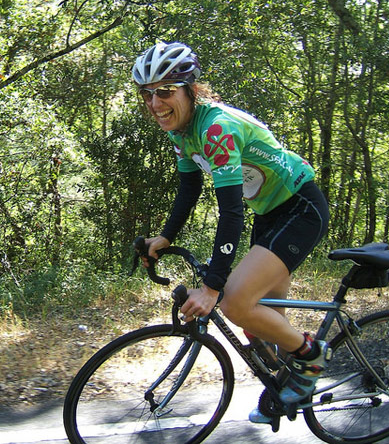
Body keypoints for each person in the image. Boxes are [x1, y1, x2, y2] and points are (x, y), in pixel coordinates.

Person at [132, 41, 331, 423]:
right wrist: (166, 237)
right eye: (147, 93)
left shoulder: (217, 129)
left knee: (236, 302)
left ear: (189, 90)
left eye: (165, 92)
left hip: (300, 208)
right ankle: (288, 384)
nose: (155, 104)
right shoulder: (181, 129)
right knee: (263, 327)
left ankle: (311, 358)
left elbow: (230, 212)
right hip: (270, 214)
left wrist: (212, 287)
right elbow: (189, 189)